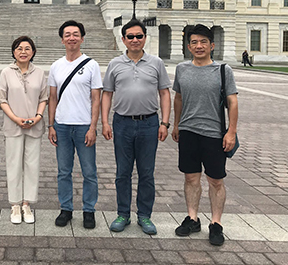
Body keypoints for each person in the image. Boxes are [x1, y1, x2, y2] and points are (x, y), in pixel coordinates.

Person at [101, 19, 171, 235]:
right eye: (130, 36)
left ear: (145, 38)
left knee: (146, 173)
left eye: (138, 36)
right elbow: (107, 94)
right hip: (122, 123)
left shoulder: (156, 63)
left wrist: (165, 122)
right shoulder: (115, 64)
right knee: (123, 172)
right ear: (123, 39)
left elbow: (165, 93)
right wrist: (105, 121)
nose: (134, 40)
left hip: (149, 123)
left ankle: (144, 215)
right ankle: (123, 213)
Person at [172, 24, 238, 246]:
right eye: (194, 42)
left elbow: (232, 101)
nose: (198, 46)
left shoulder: (222, 70)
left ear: (212, 45)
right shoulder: (182, 69)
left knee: (215, 180)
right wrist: (176, 124)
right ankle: (192, 218)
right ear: (189, 46)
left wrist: (231, 131)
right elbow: (178, 98)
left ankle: (216, 223)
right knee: (191, 177)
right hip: (189, 131)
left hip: (214, 133)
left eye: (203, 42)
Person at [48, 20, 102, 229]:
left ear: (81, 38)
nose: (72, 38)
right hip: (61, 125)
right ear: (62, 40)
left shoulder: (91, 64)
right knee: (64, 171)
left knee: (89, 171)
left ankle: (89, 210)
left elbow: (96, 98)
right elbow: (52, 98)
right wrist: (50, 125)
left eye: (75, 34)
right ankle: (66, 208)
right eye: (68, 34)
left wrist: (92, 127)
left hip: (83, 126)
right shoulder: (56, 66)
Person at [0, 36, 48, 224]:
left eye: (27, 48)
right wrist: (16, 119)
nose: (23, 51)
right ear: (13, 52)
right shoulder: (6, 72)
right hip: (13, 125)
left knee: (32, 165)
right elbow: (1, 99)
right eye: (19, 48)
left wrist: (38, 117)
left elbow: (44, 97)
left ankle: (27, 203)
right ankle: (15, 204)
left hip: (35, 125)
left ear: (33, 52)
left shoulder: (40, 73)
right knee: (14, 164)